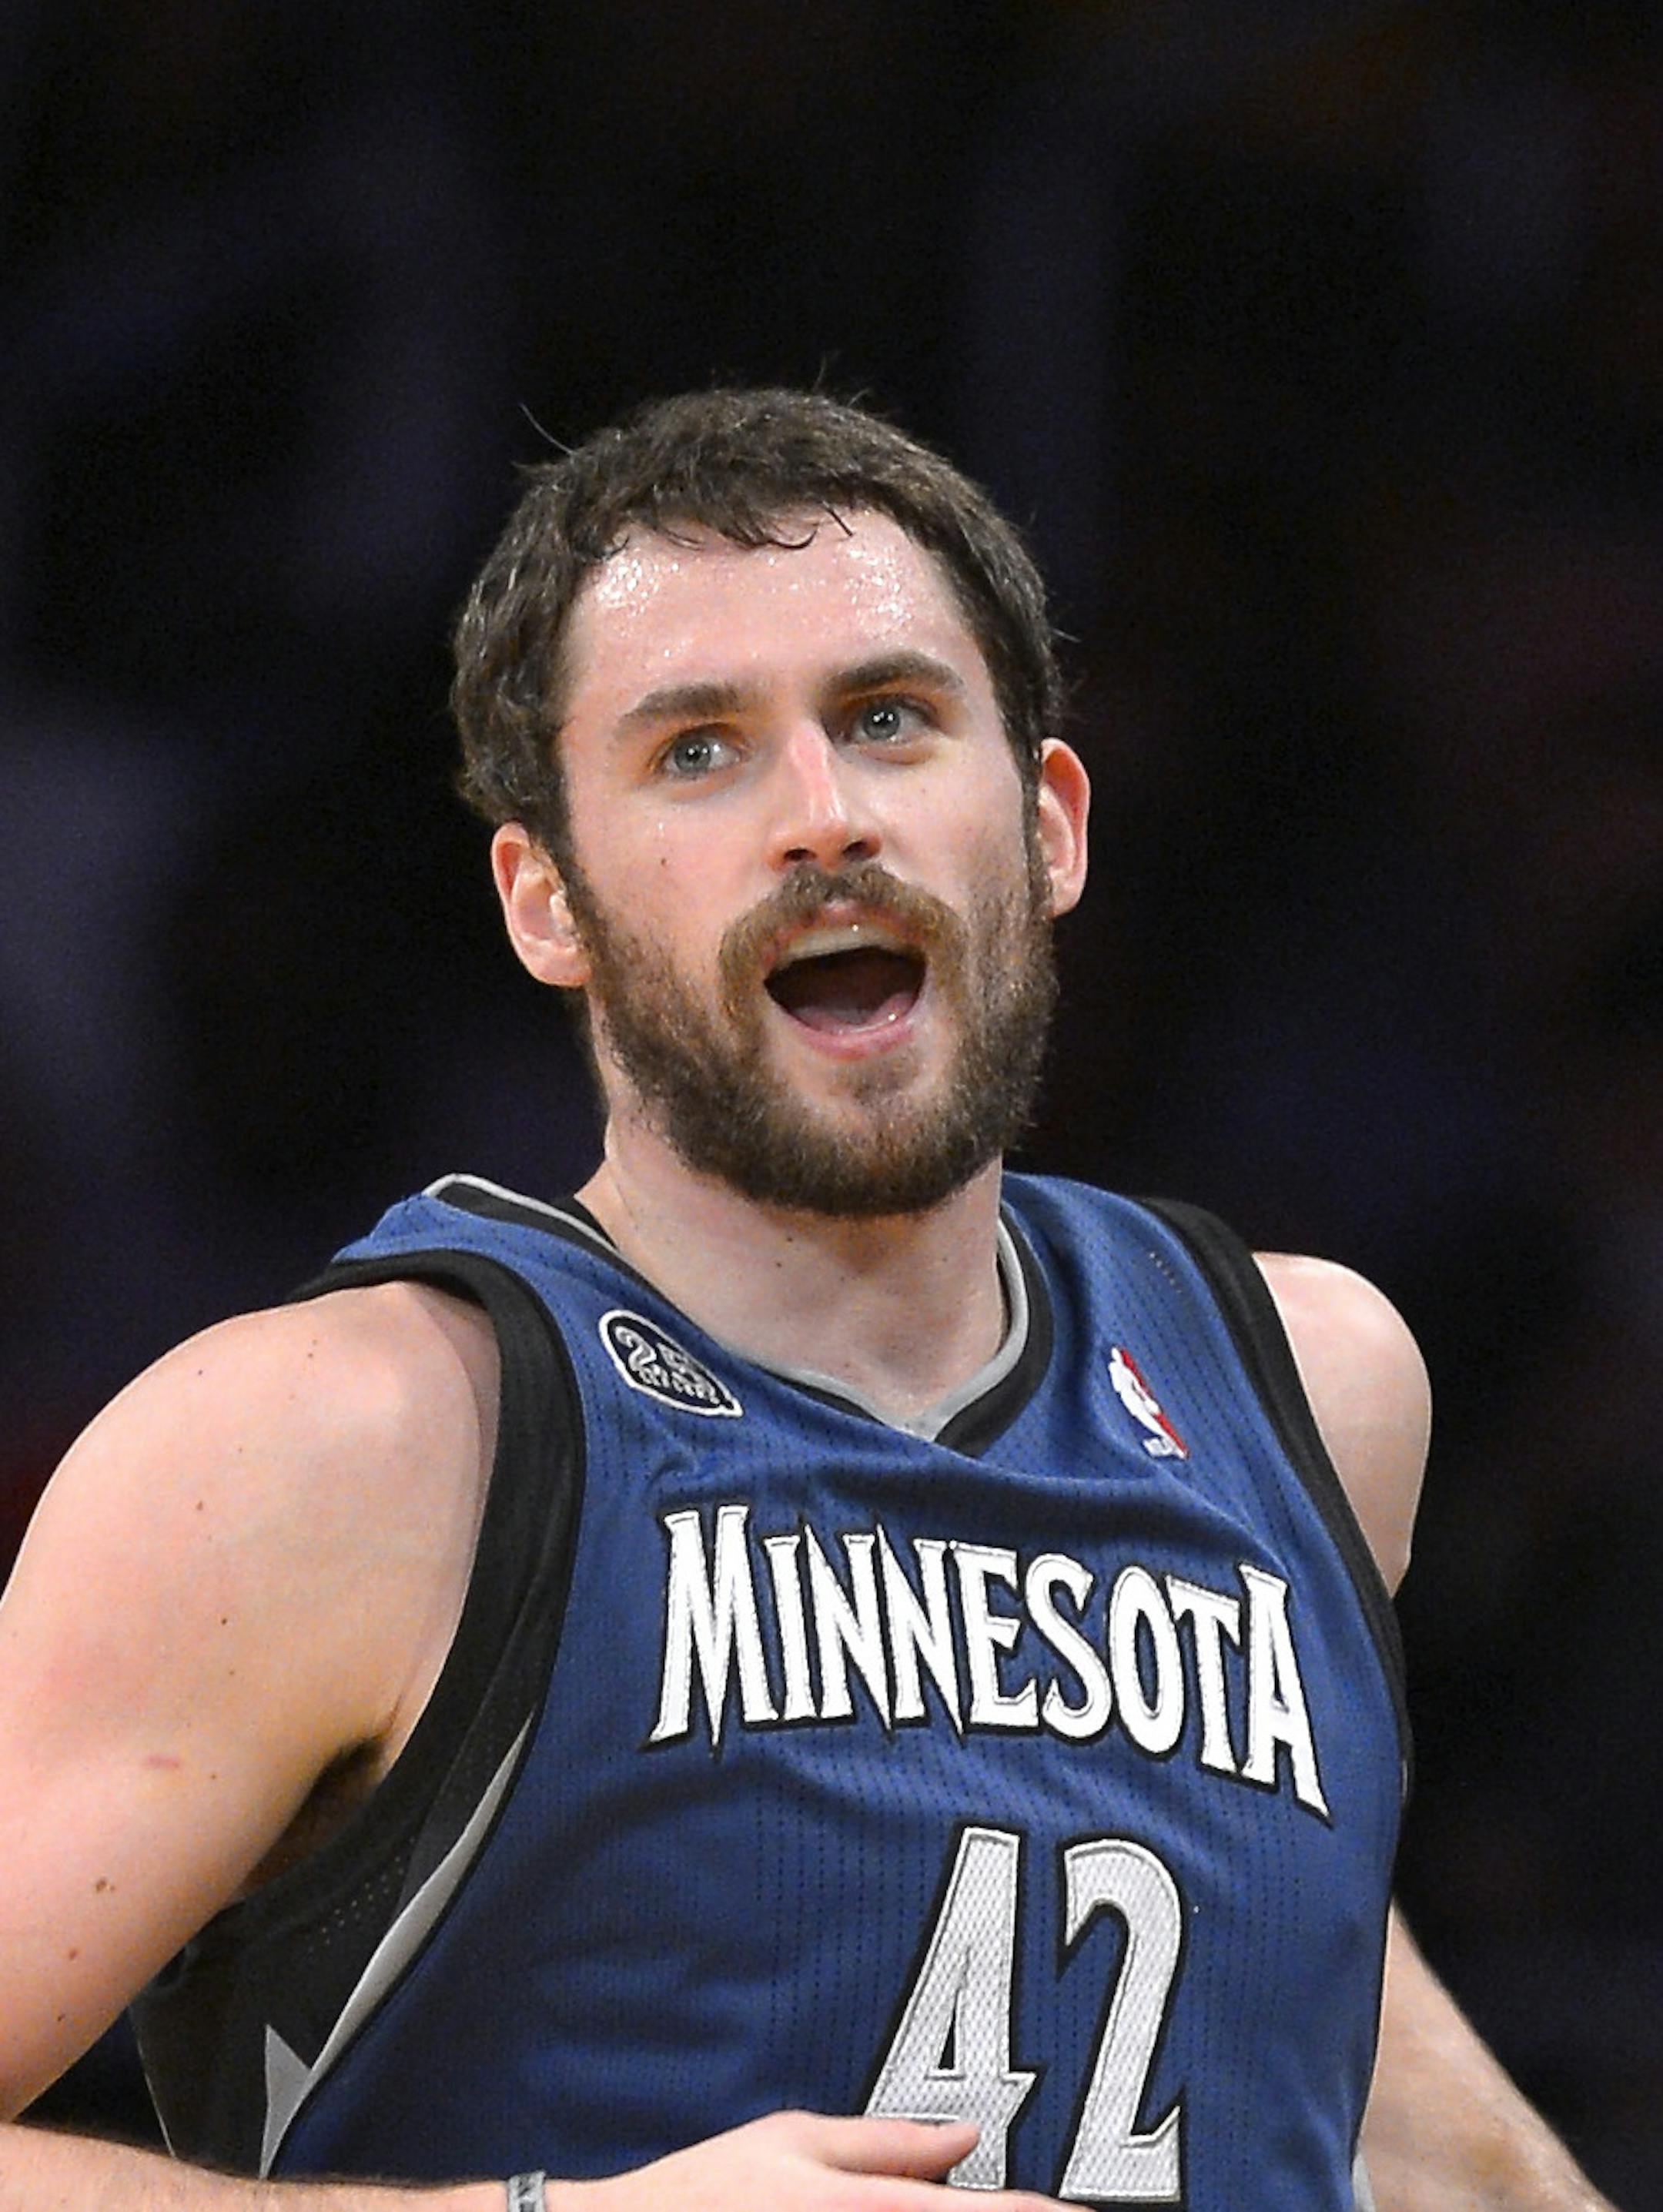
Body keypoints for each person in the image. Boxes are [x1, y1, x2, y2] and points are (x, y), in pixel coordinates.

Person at [0, 389, 1614, 2211]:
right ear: (547, 902)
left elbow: (1323, 2034)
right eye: (698, 752)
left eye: (891, 719)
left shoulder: (1309, 1384)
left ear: (1051, 825)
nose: (824, 817)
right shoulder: (346, 1442)